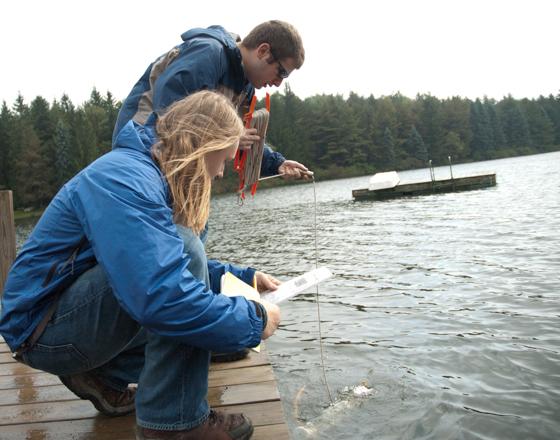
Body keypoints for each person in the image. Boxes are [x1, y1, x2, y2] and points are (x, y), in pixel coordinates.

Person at [0, 91, 281, 440]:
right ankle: (175, 423)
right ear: (202, 146)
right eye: (222, 159)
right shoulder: (125, 179)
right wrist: (255, 320)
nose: (221, 172)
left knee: (212, 331)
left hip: (57, 321)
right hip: (42, 333)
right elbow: (161, 295)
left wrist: (244, 278)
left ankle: (104, 374)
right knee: (186, 266)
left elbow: (156, 262)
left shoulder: (146, 172)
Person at [113, 19, 310, 180]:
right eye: (281, 72)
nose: (277, 83)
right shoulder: (208, 54)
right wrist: (225, 137)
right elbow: (169, 111)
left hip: (181, 165)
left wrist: (277, 164)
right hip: (140, 153)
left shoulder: (246, 87)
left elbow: (242, 138)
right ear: (263, 51)